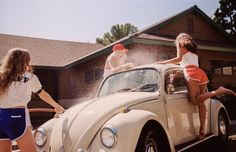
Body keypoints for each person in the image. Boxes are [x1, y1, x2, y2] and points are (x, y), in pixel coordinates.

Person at [156, 33, 236, 139]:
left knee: (194, 100)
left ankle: (218, 91)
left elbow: (179, 59)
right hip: (200, 73)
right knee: (201, 103)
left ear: (179, 39)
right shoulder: (192, 49)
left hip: (191, 73)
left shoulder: (180, 44)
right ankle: (202, 130)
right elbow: (184, 62)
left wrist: (162, 62)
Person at [0, 48, 65, 152]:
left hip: (1, 116)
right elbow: (42, 94)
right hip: (18, 116)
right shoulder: (30, 77)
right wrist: (56, 106)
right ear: (24, 61)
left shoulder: (1, 76)